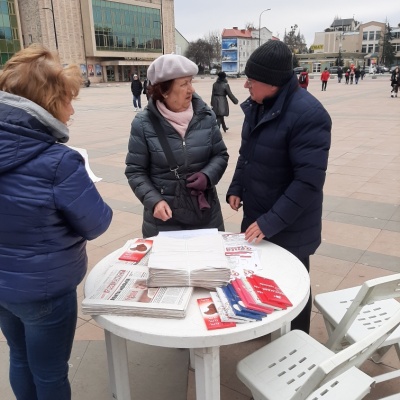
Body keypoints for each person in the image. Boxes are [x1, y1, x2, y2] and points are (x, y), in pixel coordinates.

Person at [0, 44, 113, 400]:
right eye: (68, 99)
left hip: (3, 284)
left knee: (19, 356)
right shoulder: (59, 162)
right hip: (45, 289)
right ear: (49, 102)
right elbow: (97, 224)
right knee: (49, 372)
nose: (72, 108)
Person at [227, 40, 331, 334]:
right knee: (261, 281)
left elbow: (308, 182)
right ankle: (263, 329)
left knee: (294, 287)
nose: (246, 85)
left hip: (291, 224)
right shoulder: (259, 106)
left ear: (273, 83)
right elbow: (246, 154)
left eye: (252, 80)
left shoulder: (309, 115)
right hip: (259, 216)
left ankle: (296, 343)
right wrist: (236, 186)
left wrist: (271, 221)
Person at [125, 54, 229, 238]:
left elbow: (220, 155)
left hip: (204, 214)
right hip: (164, 221)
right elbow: (135, 171)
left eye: (191, 82)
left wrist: (207, 175)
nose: (191, 89)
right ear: (164, 90)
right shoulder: (143, 123)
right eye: (183, 84)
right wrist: (154, 201)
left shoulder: (206, 116)